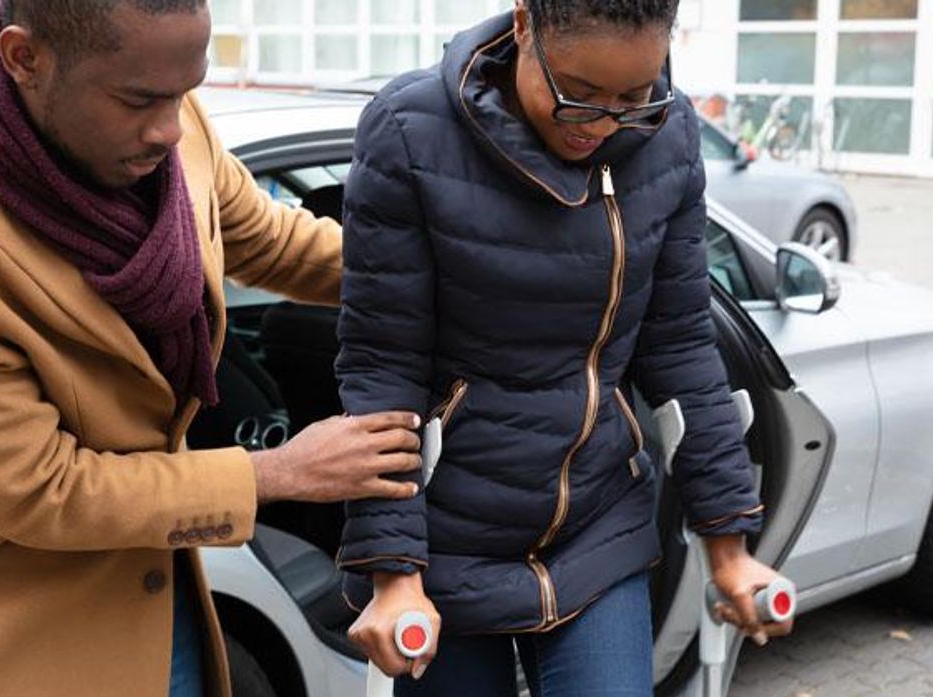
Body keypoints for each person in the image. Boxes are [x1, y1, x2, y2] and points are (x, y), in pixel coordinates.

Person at [0, 2, 422, 696]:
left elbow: (268, 241)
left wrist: (452, 278)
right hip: (34, 649)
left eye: (184, 93)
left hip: (173, 598)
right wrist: (277, 473)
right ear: (25, 58)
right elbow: (43, 491)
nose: (169, 128)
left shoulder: (169, 119)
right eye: (139, 100)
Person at [335, 1, 794, 695]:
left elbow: (679, 347)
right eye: (577, 97)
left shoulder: (667, 138)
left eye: (631, 98)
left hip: (596, 526)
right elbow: (382, 369)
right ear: (523, 24)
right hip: (447, 539)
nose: (604, 126)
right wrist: (393, 570)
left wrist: (727, 547)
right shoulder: (409, 130)